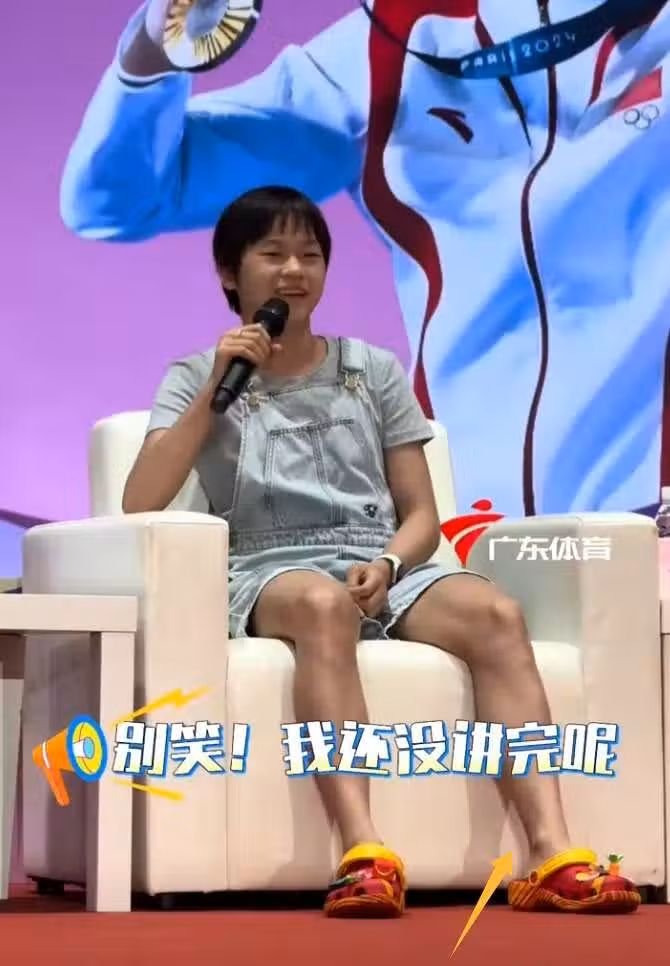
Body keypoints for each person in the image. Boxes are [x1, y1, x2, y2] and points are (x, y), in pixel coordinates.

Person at [122, 184, 640, 917]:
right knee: (322, 605)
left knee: (495, 615)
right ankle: (364, 852)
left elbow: (422, 512)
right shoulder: (195, 378)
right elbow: (140, 499)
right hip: (270, 564)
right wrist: (214, 389)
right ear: (231, 274)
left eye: (310, 254)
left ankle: (551, 853)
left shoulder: (373, 369)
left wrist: (393, 563)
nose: (294, 270)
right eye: (273, 254)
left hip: (385, 557)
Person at [61, 0, 670, 520]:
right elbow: (118, 197)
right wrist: (158, 44)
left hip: (652, 512)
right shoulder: (394, 44)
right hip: (466, 523)